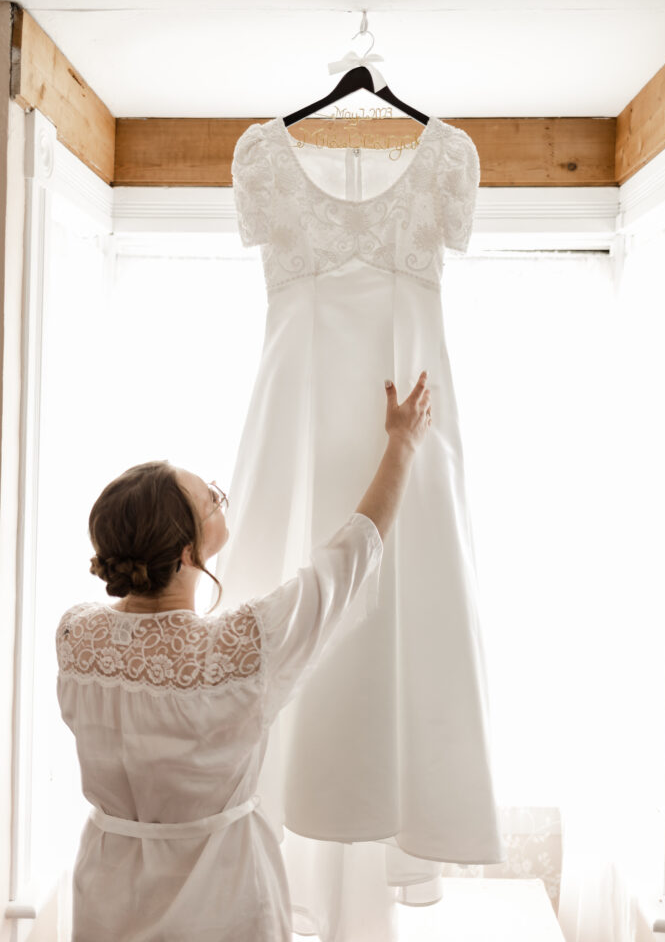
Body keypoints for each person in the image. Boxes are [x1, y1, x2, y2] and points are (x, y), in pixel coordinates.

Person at [55, 372, 431, 941]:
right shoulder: (240, 650)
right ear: (186, 553)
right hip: (223, 898)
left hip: (106, 896)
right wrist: (402, 445)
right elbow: (347, 560)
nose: (217, 492)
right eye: (209, 498)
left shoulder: (75, 638)